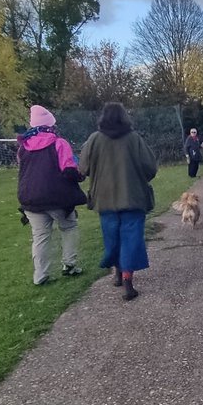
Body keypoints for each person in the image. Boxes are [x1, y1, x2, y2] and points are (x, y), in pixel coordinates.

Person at [79, 102, 158, 301]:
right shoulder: (134, 139)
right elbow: (150, 168)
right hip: (133, 197)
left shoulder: (94, 139)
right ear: (125, 117)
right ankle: (128, 280)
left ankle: (117, 272)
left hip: (104, 199)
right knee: (131, 239)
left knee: (112, 237)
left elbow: (83, 167)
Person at [17, 105, 86, 285]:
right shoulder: (58, 143)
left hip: (30, 198)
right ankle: (69, 265)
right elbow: (68, 170)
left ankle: (40, 275)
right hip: (57, 197)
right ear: (51, 124)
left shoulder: (24, 146)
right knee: (69, 227)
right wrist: (81, 176)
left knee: (40, 236)